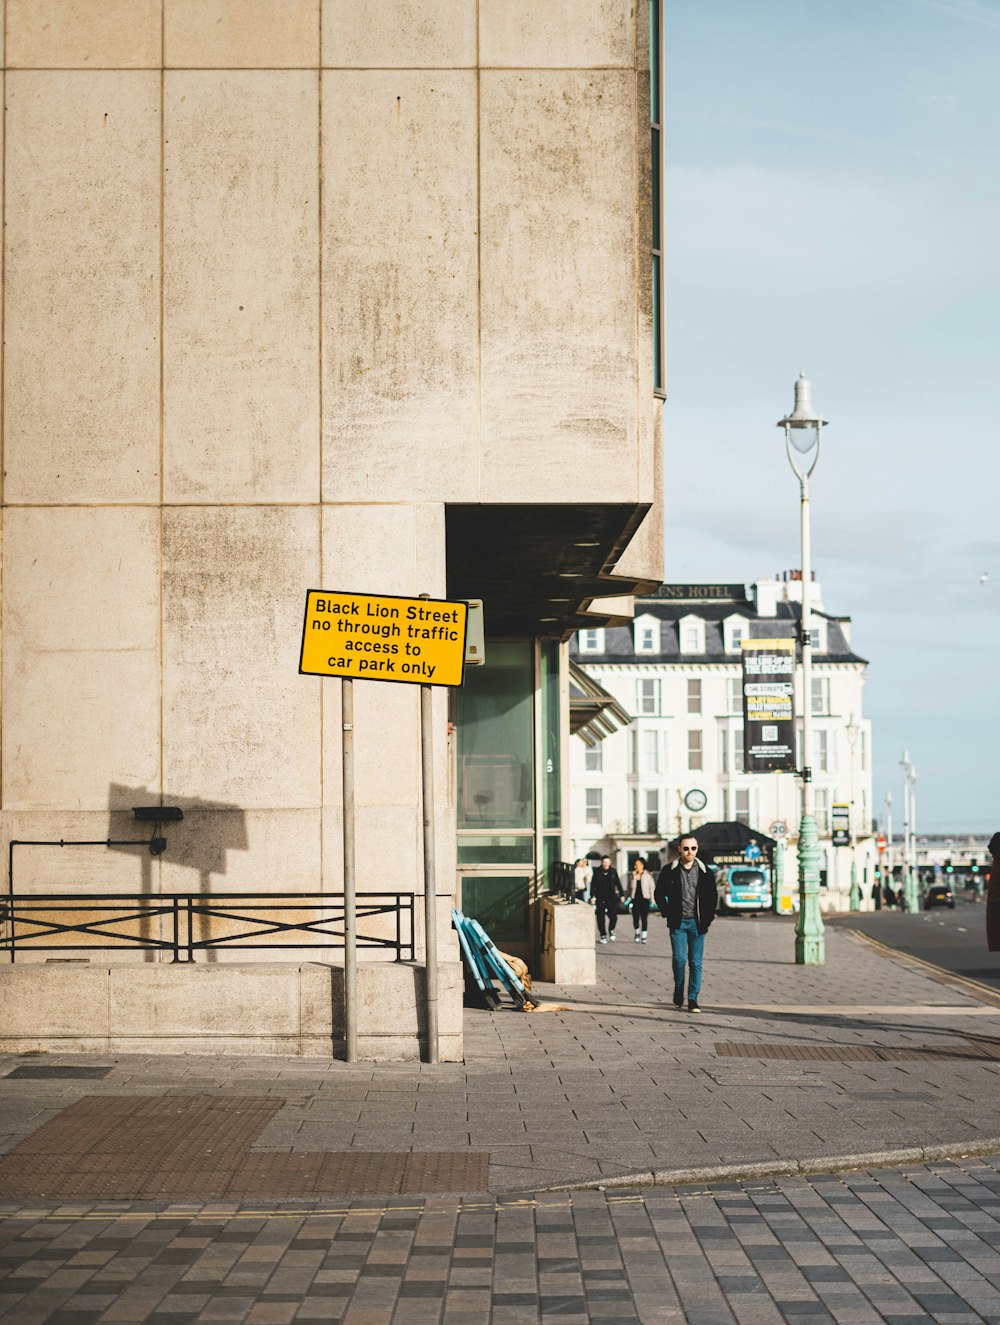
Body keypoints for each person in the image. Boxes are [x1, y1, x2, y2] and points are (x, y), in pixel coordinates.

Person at [653, 834, 717, 1013]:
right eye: (686, 848)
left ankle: (693, 999)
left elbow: (713, 898)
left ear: (697, 849)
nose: (690, 852)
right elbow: (659, 894)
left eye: (693, 848)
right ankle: (678, 989)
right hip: (678, 923)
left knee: (696, 963)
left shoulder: (706, 872)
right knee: (679, 959)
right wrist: (667, 912)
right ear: (679, 849)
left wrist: (708, 918)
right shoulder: (669, 870)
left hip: (698, 924)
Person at [590, 854, 623, 945]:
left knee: (613, 916)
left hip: (611, 898)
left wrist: (622, 894)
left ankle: (611, 929)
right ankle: (603, 935)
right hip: (600, 898)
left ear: (610, 863)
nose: (605, 864)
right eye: (604, 862)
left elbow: (618, 884)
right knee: (600, 917)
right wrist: (592, 896)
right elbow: (593, 885)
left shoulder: (613, 872)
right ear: (602, 862)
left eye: (607, 862)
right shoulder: (597, 872)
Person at [628, 856, 654, 943]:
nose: (635, 867)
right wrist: (627, 897)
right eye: (635, 865)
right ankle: (637, 933)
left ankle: (644, 936)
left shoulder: (648, 875)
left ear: (642, 865)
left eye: (637, 865)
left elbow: (652, 888)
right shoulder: (632, 875)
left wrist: (653, 899)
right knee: (635, 918)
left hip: (644, 899)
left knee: (644, 918)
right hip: (635, 900)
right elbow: (629, 887)